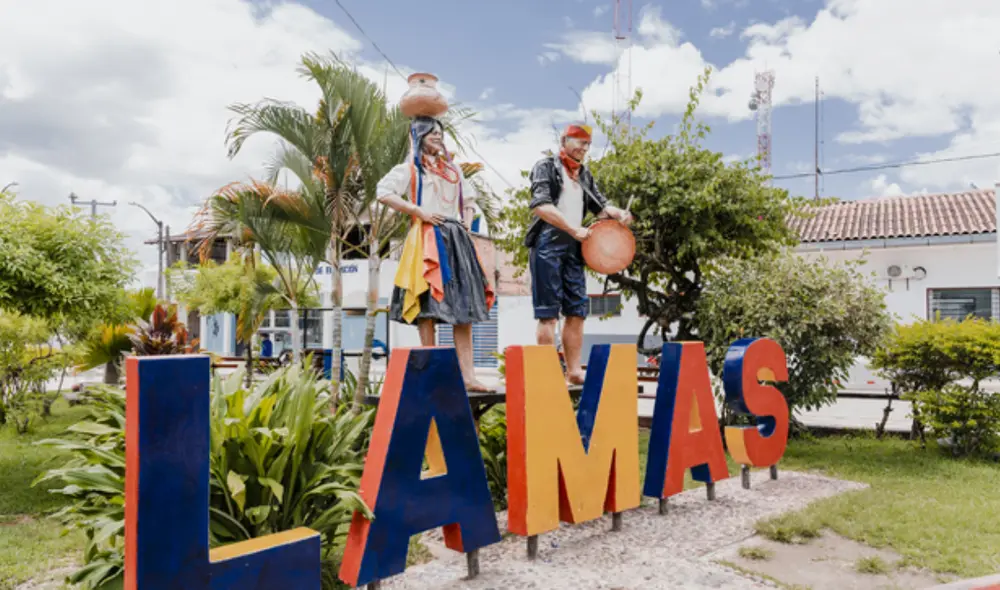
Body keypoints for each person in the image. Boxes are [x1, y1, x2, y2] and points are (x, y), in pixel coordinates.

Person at [377, 116, 496, 392]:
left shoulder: (453, 170)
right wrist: (418, 211)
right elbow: (383, 192)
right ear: (419, 137)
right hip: (427, 237)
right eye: (432, 133)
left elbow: (469, 199)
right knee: (427, 308)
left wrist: (466, 222)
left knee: (464, 308)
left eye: (440, 133)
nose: (438, 137)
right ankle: (431, 373)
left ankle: (468, 376)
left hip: (457, 238)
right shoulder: (409, 169)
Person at [525, 123, 632, 385]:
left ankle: (574, 370)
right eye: (580, 142)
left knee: (577, 309)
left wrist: (618, 213)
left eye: (588, 144)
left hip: (576, 245)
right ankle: (547, 372)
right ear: (564, 140)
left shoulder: (583, 174)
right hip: (548, 242)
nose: (584, 148)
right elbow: (541, 205)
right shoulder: (546, 167)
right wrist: (573, 228)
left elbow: (600, 207)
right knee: (548, 312)